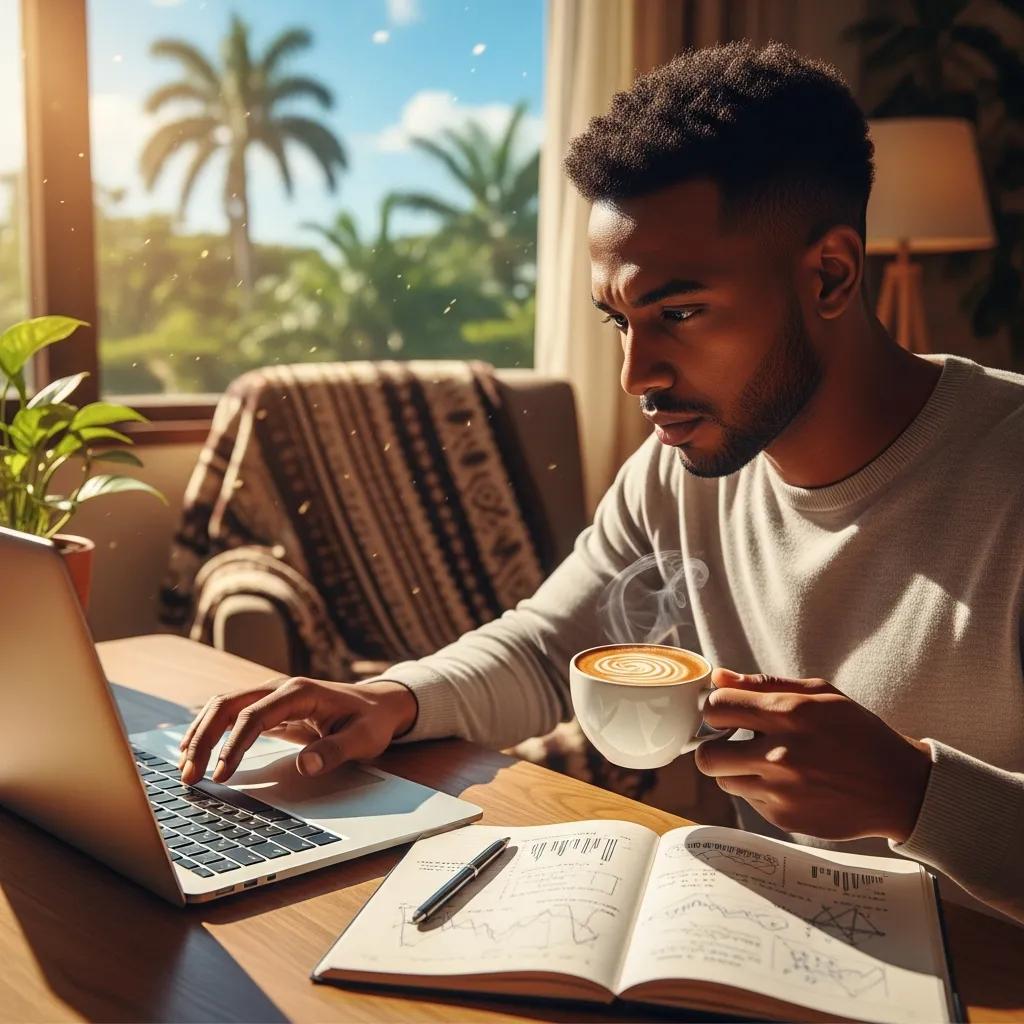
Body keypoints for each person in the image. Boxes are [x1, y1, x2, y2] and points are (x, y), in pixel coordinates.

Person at [177, 41, 1024, 924]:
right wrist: (391, 698)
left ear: (830, 275)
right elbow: (550, 648)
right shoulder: (678, 472)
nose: (636, 374)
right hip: (777, 956)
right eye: (618, 319)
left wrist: (917, 795)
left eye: (678, 313)